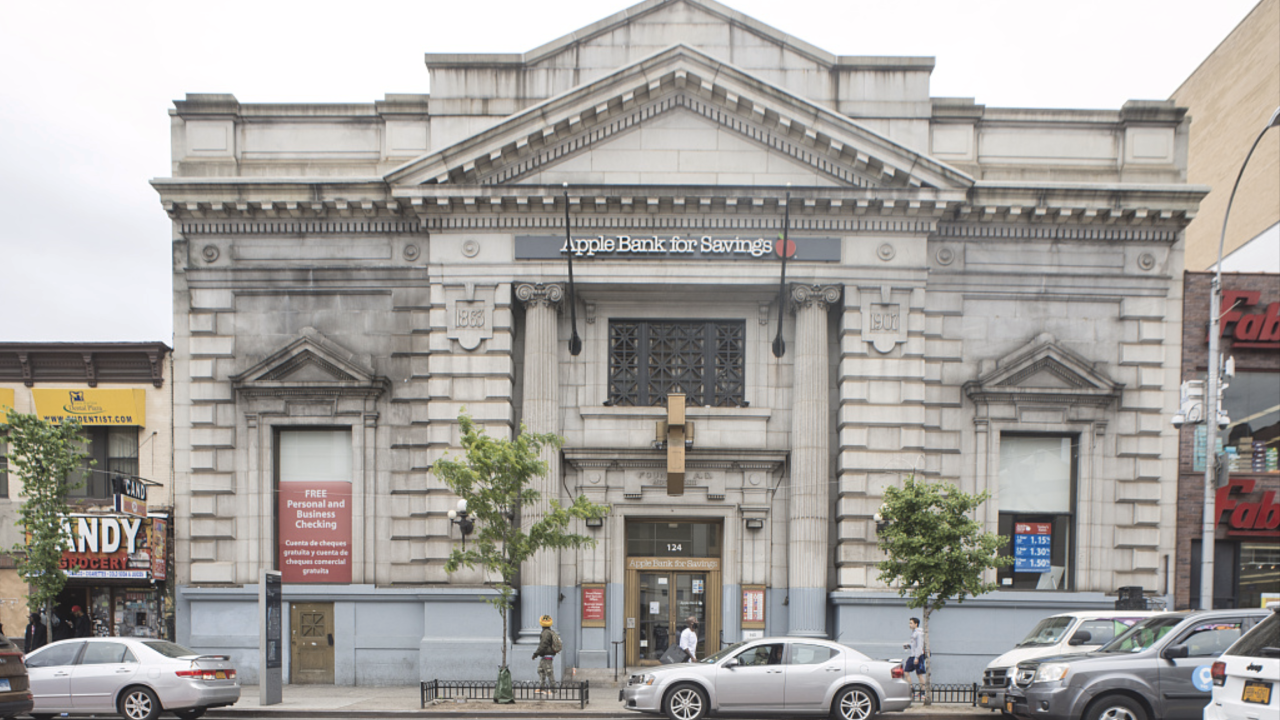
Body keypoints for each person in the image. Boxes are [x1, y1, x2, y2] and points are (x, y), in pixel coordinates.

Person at [532, 614, 560, 694]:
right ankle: (542, 688)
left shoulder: (546, 633)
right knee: (541, 670)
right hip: (546, 655)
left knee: (549, 672)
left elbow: (543, 645)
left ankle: (553, 689)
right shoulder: (549, 632)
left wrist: (536, 654)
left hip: (547, 655)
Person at [903, 617, 927, 699]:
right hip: (912, 655)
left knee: (919, 674)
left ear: (916, 624)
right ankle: (912, 690)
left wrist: (917, 657)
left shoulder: (919, 633)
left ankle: (923, 693)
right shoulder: (914, 632)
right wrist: (908, 646)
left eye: (911, 623)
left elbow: (919, 646)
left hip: (917, 656)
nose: (910, 625)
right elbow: (914, 645)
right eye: (909, 623)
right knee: (906, 671)